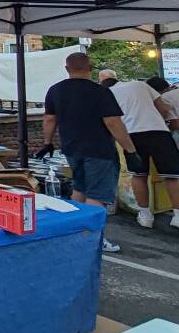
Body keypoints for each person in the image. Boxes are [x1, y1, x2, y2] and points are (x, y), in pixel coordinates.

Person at [38, 52, 143, 253]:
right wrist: (130, 150)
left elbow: (49, 119)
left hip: (72, 149)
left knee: (80, 189)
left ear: (67, 69)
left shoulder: (55, 90)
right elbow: (113, 122)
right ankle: (94, 239)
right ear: (90, 68)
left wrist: (47, 143)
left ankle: (72, 233)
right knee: (97, 195)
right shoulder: (100, 92)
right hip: (99, 150)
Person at [109, 76, 179, 230]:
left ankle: (146, 216)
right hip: (159, 131)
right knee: (172, 175)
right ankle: (178, 215)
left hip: (131, 134)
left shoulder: (108, 93)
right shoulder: (140, 84)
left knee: (139, 175)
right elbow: (163, 108)